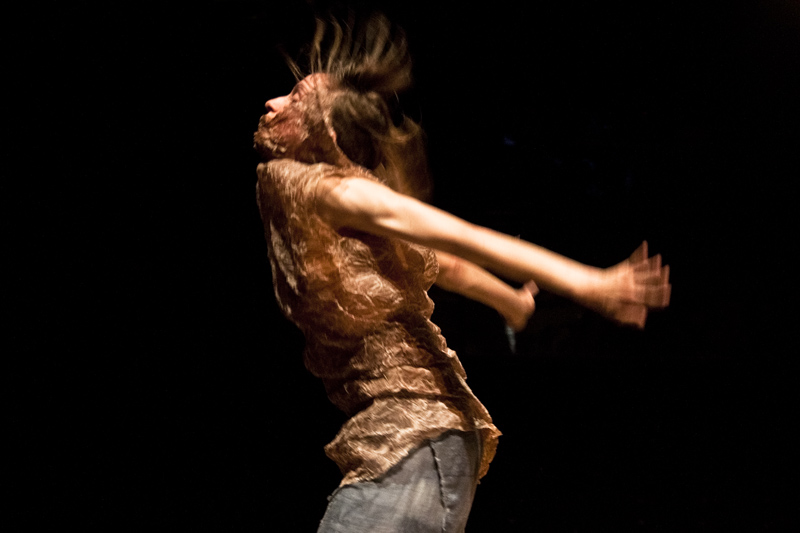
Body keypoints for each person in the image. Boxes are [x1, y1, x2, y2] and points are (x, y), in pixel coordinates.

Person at [254, 15, 670, 533]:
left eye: (295, 100)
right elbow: (448, 267)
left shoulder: (328, 191)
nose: (272, 103)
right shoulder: (334, 205)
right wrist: (511, 304)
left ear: (328, 134)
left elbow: (458, 237)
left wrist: (588, 282)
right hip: (424, 441)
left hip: (413, 439)